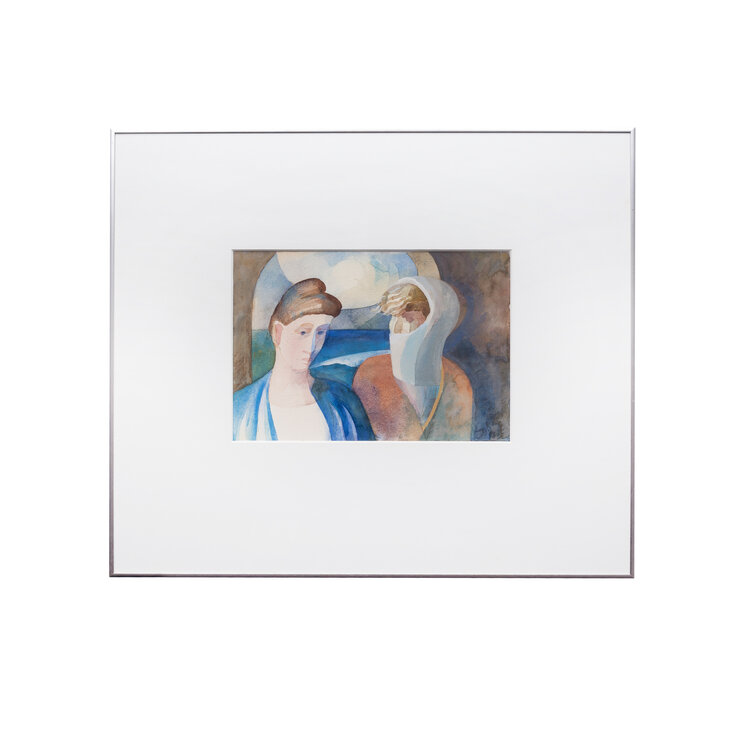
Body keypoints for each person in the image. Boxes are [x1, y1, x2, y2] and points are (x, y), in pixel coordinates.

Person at [233, 278, 374, 441]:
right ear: (278, 333)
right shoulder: (240, 405)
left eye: (320, 332)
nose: (312, 345)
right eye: (303, 332)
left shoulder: (344, 399)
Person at [353, 276, 473, 440]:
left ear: (436, 324)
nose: (396, 327)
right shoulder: (371, 371)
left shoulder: (456, 380)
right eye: (393, 317)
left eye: (407, 319)